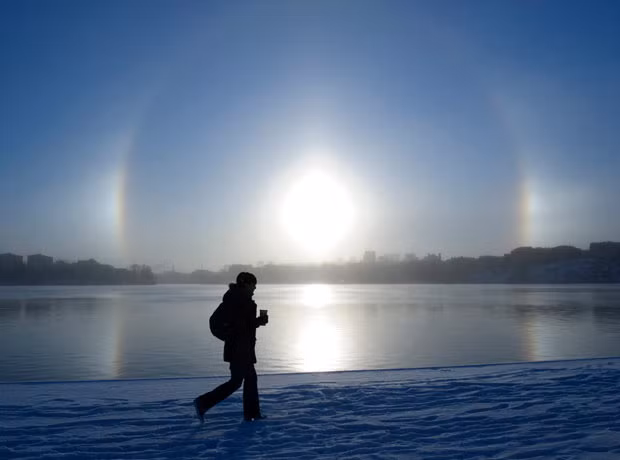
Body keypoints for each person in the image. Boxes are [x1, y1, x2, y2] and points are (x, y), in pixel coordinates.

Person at [193, 272, 269, 423]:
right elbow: (228, 324)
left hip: (244, 348)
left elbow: (242, 325)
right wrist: (232, 336)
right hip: (238, 349)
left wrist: (257, 322)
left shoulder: (241, 299)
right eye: (253, 284)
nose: (255, 288)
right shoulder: (236, 300)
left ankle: (252, 414)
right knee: (236, 382)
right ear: (246, 284)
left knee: (250, 379)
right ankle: (202, 402)